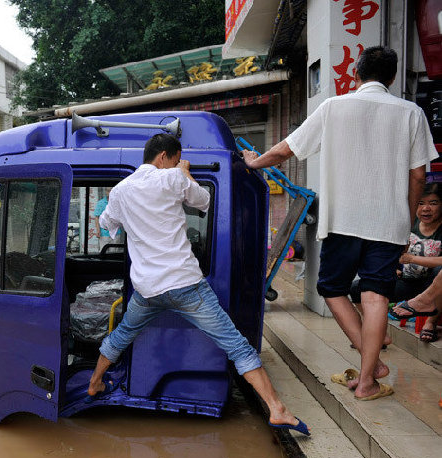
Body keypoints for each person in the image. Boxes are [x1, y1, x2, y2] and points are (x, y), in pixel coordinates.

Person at [243, 46, 437, 400]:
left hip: (344, 219)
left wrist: (254, 163)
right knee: (376, 296)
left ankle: (371, 363)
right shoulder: (412, 113)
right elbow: (419, 177)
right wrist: (405, 219)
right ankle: (369, 378)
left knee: (332, 289)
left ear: (356, 75)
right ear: (392, 78)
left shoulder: (333, 107)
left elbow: (287, 148)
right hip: (389, 223)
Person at [87, 134, 309, 435]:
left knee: (122, 334)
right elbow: (203, 201)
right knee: (235, 344)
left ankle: (94, 381)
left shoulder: (121, 191)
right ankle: (277, 409)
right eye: (177, 160)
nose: (178, 165)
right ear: (164, 156)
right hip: (186, 285)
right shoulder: (173, 179)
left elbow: (105, 225)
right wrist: (186, 173)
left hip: (147, 290)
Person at [352, 183, 442, 342]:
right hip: (408, 281)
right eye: (421, 203)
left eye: (433, 203)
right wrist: (392, 267)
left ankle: (430, 323)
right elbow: (389, 249)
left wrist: (413, 259)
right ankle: (378, 330)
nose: (426, 208)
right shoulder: (409, 224)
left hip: (432, 286)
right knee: (356, 289)